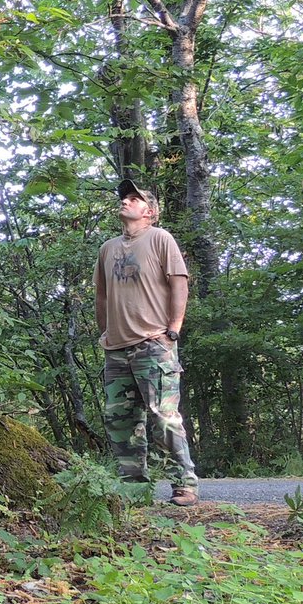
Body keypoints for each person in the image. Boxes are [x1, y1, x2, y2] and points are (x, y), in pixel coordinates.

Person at [94, 179, 199, 506]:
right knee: (122, 422)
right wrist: (104, 332)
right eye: (125, 197)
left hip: (154, 343)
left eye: (134, 198)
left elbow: (179, 282)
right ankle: (134, 491)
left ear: (150, 212)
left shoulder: (160, 239)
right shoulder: (107, 248)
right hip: (116, 349)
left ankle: (185, 483)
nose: (126, 201)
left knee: (163, 417)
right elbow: (101, 294)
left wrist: (174, 327)